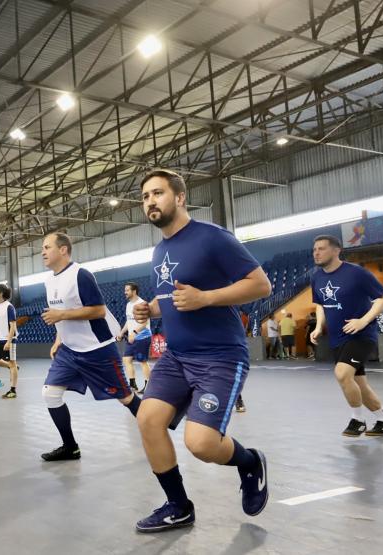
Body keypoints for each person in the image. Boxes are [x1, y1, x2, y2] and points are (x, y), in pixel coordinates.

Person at [132, 169, 271, 533]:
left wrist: (206, 297)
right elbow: (173, 301)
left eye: (157, 193)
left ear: (179, 197)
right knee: (147, 420)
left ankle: (249, 461)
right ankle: (178, 506)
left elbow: (261, 285)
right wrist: (152, 309)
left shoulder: (212, 237)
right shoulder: (160, 250)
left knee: (202, 444)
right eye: (145, 196)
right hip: (176, 356)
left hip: (220, 357)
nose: (150, 201)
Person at [39, 232, 142, 462]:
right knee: (50, 394)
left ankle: (157, 429)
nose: (42, 252)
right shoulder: (49, 281)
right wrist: (58, 340)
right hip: (69, 350)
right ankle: (70, 447)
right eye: (42, 248)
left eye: (47, 247)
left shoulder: (81, 275)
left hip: (97, 349)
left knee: (125, 398)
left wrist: (62, 315)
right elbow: (57, 317)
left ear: (63, 249)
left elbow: (98, 311)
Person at [310, 234, 383, 437]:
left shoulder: (356, 273)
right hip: (337, 338)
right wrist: (318, 327)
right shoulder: (317, 276)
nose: (316, 252)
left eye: (321, 248)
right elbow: (320, 304)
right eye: (314, 249)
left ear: (336, 250)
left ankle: (357, 420)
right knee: (359, 384)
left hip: (361, 335)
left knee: (342, 374)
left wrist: (364, 321)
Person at [0, 283, 20, 399]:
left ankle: (13, 390)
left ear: (0, 293)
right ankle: (11, 366)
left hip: (8, 339)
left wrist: (8, 341)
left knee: (12, 364)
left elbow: (12, 326)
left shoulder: (9, 307)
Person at [118, 281, 152, 393]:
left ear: (134, 291)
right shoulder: (128, 305)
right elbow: (129, 321)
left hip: (142, 337)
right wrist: (122, 332)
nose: (125, 292)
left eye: (127, 290)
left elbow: (144, 322)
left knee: (142, 361)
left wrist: (134, 333)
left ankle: (149, 387)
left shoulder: (142, 303)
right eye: (125, 290)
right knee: (126, 360)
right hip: (132, 337)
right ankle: (133, 385)